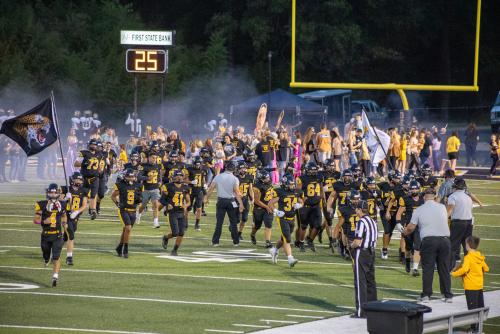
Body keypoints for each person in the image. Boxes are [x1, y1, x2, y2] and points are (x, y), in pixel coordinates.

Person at [403, 187, 453, 303]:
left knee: (428, 268)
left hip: (429, 240)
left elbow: (411, 227)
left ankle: (426, 295)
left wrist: (404, 231)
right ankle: (448, 295)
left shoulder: (419, 210)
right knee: (444, 268)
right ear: (435, 196)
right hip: (445, 240)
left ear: (424, 197)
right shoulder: (442, 207)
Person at [451, 236, 489, 333]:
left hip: (470, 287)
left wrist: (453, 274)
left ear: (467, 245)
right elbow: (486, 268)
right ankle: (478, 328)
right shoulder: (479, 256)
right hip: (479, 286)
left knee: (472, 309)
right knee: (479, 307)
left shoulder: (468, 257)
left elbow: (464, 269)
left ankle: (474, 329)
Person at [34, 183, 67, 287]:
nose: (53, 194)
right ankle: (46, 258)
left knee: (56, 257)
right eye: (51, 192)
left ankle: (55, 277)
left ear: (58, 193)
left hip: (57, 235)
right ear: (48, 192)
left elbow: (64, 215)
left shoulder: (63, 204)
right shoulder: (42, 204)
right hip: (46, 235)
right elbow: (36, 220)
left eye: (55, 192)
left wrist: (65, 225)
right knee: (46, 255)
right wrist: (44, 221)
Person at [204, 160, 244, 246]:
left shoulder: (218, 176)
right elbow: (237, 192)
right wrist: (241, 203)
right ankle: (236, 241)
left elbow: (211, 189)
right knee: (233, 223)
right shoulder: (235, 178)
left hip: (221, 200)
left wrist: (206, 198)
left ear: (225, 168)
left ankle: (215, 242)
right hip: (231, 201)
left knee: (219, 222)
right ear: (233, 169)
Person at [268, 174, 303, 268]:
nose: (292, 186)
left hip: (292, 218)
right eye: (290, 184)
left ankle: (274, 250)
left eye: (292, 184)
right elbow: (270, 203)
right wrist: (276, 211)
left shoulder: (296, 192)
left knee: (284, 238)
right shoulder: (280, 192)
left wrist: (300, 205)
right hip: (282, 218)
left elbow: (302, 201)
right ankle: (290, 259)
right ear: (284, 184)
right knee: (287, 239)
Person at [350, 200, 378, 318]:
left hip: (362, 253)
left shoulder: (361, 221)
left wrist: (350, 246)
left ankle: (362, 311)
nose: (355, 211)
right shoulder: (373, 221)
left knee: (360, 281)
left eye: (356, 209)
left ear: (360, 210)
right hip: (372, 253)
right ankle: (374, 309)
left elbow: (357, 241)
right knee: (371, 281)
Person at [112, 168, 142, 258]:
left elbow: (140, 197)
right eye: (129, 177)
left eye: (132, 177)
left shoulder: (138, 185)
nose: (130, 178)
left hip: (133, 211)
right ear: (125, 177)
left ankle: (119, 247)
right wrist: (118, 204)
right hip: (123, 210)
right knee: (128, 228)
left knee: (126, 230)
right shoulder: (120, 185)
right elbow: (113, 196)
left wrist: (139, 200)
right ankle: (125, 249)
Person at [160, 170, 191, 256]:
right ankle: (166, 237)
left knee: (181, 232)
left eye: (181, 176)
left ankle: (175, 250)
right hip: (172, 212)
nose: (179, 177)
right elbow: (162, 200)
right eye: (177, 176)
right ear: (173, 177)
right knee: (175, 233)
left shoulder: (185, 188)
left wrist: (185, 206)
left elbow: (189, 201)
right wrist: (167, 204)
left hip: (181, 212)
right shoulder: (168, 186)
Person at [61, 172, 88, 266]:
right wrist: (65, 198)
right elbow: (58, 202)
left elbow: (84, 205)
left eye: (80, 180)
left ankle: (55, 252)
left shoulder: (83, 190)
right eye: (77, 179)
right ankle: (69, 257)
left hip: (75, 217)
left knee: (65, 237)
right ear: (72, 180)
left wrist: (77, 212)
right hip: (65, 216)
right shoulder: (65, 189)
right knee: (71, 235)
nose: (79, 181)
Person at [447, 178, 474, 271]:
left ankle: (449, 267)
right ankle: (469, 267)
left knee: (453, 246)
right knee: (468, 247)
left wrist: (442, 219)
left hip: (458, 223)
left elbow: (449, 211)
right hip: (469, 223)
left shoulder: (453, 196)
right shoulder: (468, 197)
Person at [74, 138, 101, 220]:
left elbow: (99, 166)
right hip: (84, 178)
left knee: (93, 194)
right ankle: (79, 210)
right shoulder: (83, 153)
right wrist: (84, 163)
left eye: (95, 145)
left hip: (94, 178)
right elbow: (76, 164)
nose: (93, 146)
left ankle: (93, 211)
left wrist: (100, 171)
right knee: (83, 195)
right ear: (89, 145)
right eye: (92, 144)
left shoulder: (99, 154)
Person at [251, 169, 277, 247]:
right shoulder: (257, 187)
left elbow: (272, 196)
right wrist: (266, 207)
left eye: (268, 177)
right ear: (261, 179)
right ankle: (252, 234)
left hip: (268, 208)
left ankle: (267, 242)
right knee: (257, 226)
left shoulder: (269, 182)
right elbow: (256, 201)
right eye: (265, 178)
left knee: (268, 224)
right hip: (259, 208)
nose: (268, 179)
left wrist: (272, 206)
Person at [235, 161, 254, 240]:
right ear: (238, 169)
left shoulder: (249, 177)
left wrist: (252, 198)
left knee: (245, 219)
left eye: (245, 168)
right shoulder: (235, 178)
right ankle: (233, 226)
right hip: (236, 199)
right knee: (237, 219)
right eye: (242, 168)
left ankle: (239, 233)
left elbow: (250, 189)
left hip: (245, 200)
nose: (244, 170)